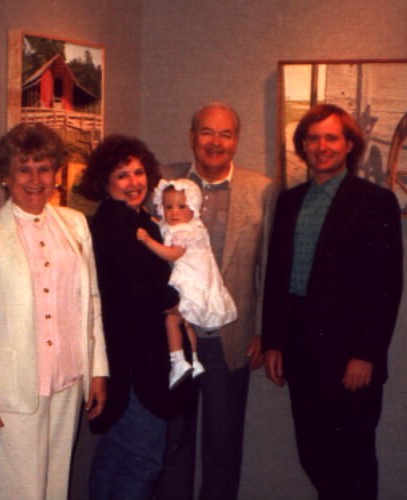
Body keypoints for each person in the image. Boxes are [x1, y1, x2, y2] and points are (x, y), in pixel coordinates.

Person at [0, 122, 109, 500]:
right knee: (17, 492)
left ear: (57, 173)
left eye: (44, 168)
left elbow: (91, 302)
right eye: (24, 169)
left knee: (55, 489)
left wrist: (98, 371)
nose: (35, 179)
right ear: (6, 176)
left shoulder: (75, 225)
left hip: (69, 380)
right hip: (12, 387)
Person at [262, 103, 403, 500]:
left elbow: (386, 286)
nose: (322, 146)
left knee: (353, 460)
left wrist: (366, 354)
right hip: (299, 347)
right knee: (312, 452)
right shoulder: (289, 201)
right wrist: (274, 339)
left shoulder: (375, 201)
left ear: (348, 145)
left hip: (349, 355)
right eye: (313, 138)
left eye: (331, 137)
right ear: (303, 146)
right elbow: (277, 276)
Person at [154, 102, 277, 500]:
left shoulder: (262, 190)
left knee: (223, 447)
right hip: (174, 339)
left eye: (225, 134)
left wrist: (265, 331)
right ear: (192, 137)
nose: (215, 142)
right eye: (206, 132)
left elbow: (270, 267)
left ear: (236, 141)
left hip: (231, 337)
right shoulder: (162, 182)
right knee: (174, 443)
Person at [79, 134, 194, 499]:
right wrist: (179, 298)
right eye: (122, 176)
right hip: (134, 365)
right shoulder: (116, 225)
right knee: (142, 460)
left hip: (130, 362)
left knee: (118, 456)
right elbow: (140, 292)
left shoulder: (135, 219)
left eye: (139, 172)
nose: (134, 183)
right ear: (105, 183)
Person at [138, 178, 238, 389]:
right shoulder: (187, 226)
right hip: (195, 281)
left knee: (172, 320)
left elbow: (172, 254)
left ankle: (178, 362)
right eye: (168, 207)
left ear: (193, 207)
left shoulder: (185, 231)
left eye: (181, 206)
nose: (174, 212)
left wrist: (148, 241)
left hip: (189, 283)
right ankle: (193, 359)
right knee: (186, 324)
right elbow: (163, 226)